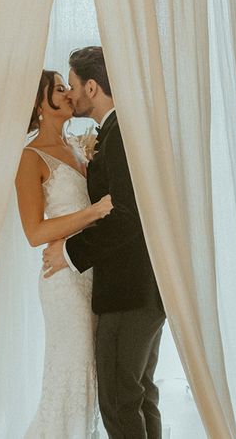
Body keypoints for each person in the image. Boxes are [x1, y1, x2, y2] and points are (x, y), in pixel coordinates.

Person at [42, 46, 166, 439]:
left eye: (73, 85)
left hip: (129, 292)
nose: (70, 95)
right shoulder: (118, 131)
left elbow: (127, 216)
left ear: (92, 87)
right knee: (140, 395)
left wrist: (69, 252)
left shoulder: (120, 136)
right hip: (144, 288)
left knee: (118, 400)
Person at [16, 69, 113, 439]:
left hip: (90, 272)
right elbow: (34, 232)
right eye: (59, 89)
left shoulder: (78, 148)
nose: (70, 93)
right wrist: (92, 212)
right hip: (63, 284)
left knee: (90, 373)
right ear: (41, 105)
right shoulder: (30, 157)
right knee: (72, 372)